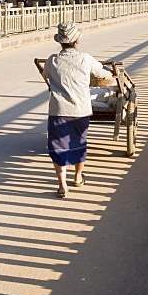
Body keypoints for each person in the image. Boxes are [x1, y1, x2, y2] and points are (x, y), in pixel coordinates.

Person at [42, 21, 110, 198]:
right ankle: (78, 177)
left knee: (58, 146)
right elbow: (103, 74)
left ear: (60, 42)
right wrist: (112, 74)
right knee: (79, 142)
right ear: (76, 41)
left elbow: (45, 75)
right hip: (80, 109)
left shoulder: (52, 59)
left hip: (58, 110)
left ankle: (62, 185)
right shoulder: (85, 58)